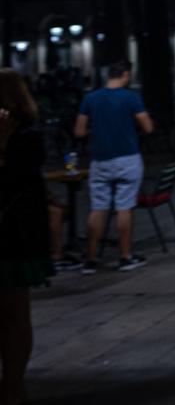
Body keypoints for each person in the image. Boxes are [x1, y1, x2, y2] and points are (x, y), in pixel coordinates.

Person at [0, 69, 53, 405]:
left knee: (15, 312)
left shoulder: (28, 135)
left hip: (13, 236)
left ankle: (13, 384)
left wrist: (2, 143)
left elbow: (13, 180)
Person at [73, 61, 152, 274]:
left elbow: (79, 131)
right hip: (127, 157)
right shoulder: (131, 98)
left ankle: (90, 259)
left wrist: (97, 132)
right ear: (126, 75)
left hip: (100, 159)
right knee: (124, 206)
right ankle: (125, 256)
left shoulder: (91, 99)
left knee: (98, 207)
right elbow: (148, 126)